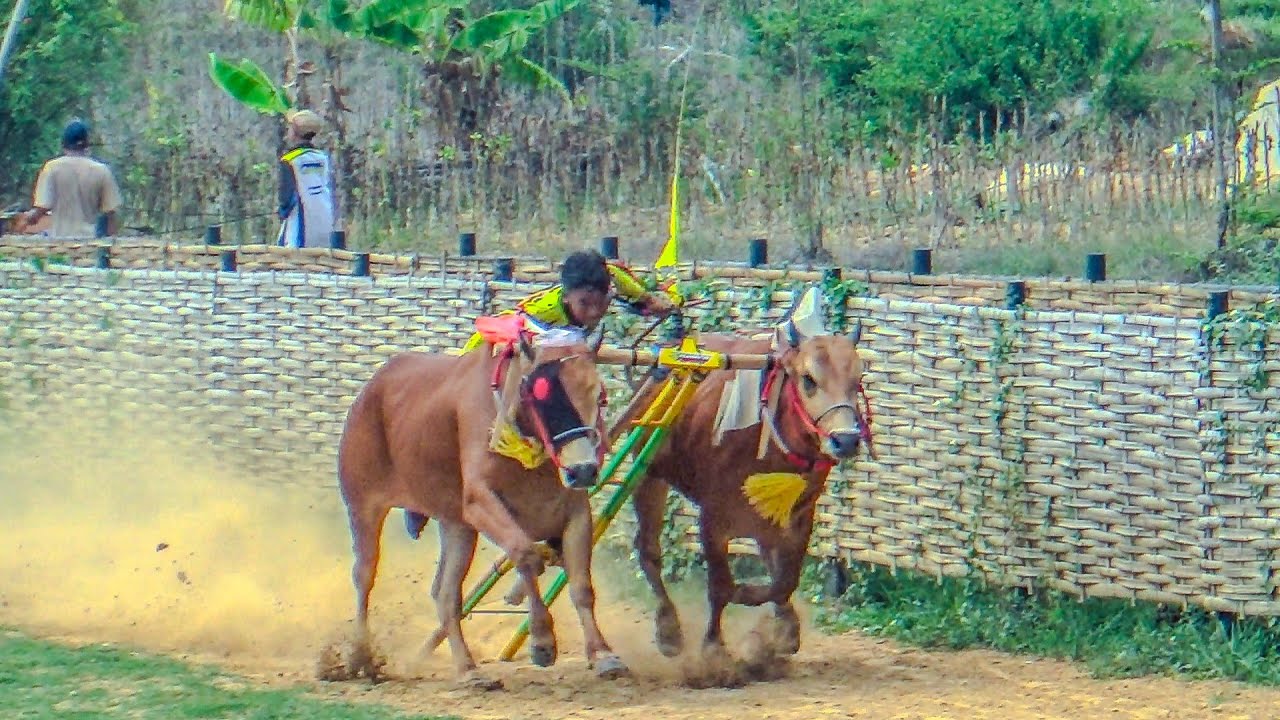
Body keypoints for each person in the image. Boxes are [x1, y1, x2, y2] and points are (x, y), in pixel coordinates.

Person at [402, 249, 679, 538]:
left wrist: (650, 302)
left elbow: (629, 286)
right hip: (509, 343)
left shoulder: (610, 279)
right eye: (585, 304)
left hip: (564, 353)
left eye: (600, 304)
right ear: (567, 295)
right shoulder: (545, 312)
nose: (594, 312)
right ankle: (420, 502)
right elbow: (534, 350)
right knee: (457, 395)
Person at [24, 119, 122, 238]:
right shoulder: (101, 171)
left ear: (63, 144)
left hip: (59, 241)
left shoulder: (52, 168)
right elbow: (111, 214)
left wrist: (26, 219)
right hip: (90, 241)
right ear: (86, 145)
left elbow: (41, 209)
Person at [276, 109, 335, 248]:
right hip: (324, 219)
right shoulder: (322, 157)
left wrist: (281, 211)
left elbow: (286, 199)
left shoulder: (289, 160)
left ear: (295, 132)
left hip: (300, 226)